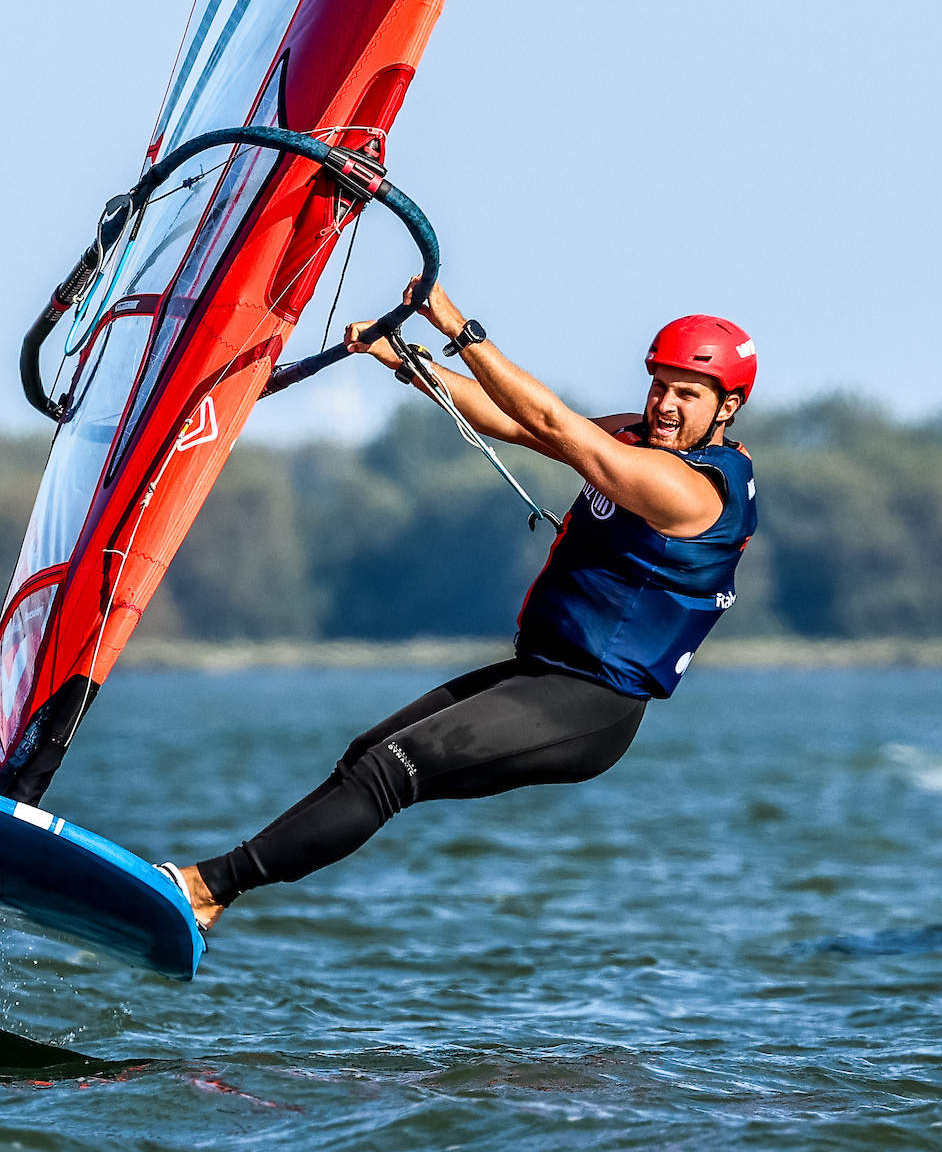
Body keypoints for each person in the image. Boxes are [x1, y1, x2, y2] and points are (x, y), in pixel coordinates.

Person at [166, 285, 759, 930]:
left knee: (391, 771)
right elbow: (518, 421)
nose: (664, 406)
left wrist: (452, 321)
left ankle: (206, 888)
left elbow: (561, 427)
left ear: (727, 406)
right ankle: (208, 900)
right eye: (659, 386)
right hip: (541, 673)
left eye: (687, 394)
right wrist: (405, 362)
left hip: (592, 703)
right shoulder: (641, 439)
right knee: (369, 753)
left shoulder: (694, 489)